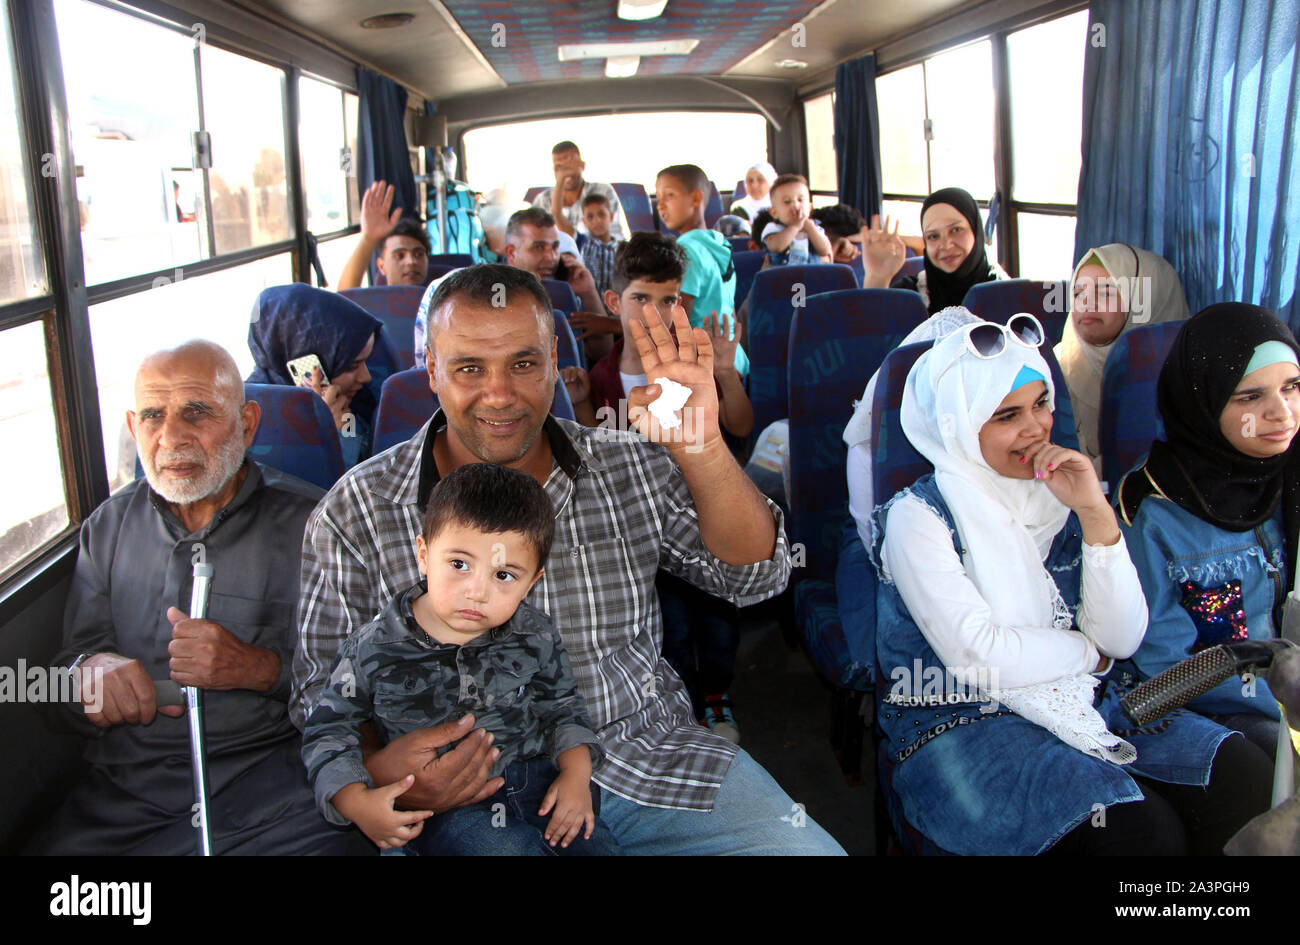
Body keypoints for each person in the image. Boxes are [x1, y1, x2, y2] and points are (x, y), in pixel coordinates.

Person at [291, 264, 843, 855]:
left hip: (646, 756)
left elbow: (758, 575)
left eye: (523, 364)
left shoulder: (629, 466)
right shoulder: (358, 509)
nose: (499, 394)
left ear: (556, 359)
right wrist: (383, 766)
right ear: (430, 369)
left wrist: (703, 448)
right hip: (470, 794)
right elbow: (320, 692)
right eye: (469, 368)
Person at [871, 316, 1271, 855]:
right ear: (957, 424)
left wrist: (1093, 513)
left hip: (1087, 695)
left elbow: (1123, 641)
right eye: (1007, 415)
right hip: (961, 715)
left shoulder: (1058, 494)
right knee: (1140, 836)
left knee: (1244, 778)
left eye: (1041, 404)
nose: (1036, 429)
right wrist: (1090, 654)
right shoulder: (918, 517)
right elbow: (980, 656)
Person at [31, 341, 369, 855]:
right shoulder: (108, 529)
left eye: (196, 412)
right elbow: (57, 682)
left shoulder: (316, 524)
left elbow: (367, 685)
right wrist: (85, 674)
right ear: (132, 427)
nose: (171, 437)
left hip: (277, 793)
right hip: (129, 800)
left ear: (248, 423)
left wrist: (259, 669)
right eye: (152, 416)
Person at [302, 463, 620, 855]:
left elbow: (563, 708)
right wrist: (356, 801)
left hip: (539, 781)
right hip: (446, 807)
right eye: (459, 565)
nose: (477, 592)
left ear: (531, 583)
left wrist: (576, 776)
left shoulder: (535, 634)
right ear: (423, 554)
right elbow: (328, 731)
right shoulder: (372, 648)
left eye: (503, 575)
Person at [1116, 303, 1297, 757]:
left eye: (1292, 387)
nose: (1282, 413)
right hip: (1221, 708)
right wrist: (1288, 704)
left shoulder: (1291, 475)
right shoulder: (1153, 512)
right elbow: (1165, 665)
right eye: (1250, 397)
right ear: (1202, 403)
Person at [1056, 243, 1190, 473]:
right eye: (1078, 293)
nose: (1086, 302)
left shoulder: (1191, 378)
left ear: (1147, 300)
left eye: (1106, 292)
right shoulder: (1053, 368)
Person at [247, 284, 384, 467]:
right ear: (305, 361)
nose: (366, 377)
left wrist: (344, 430)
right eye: (352, 366)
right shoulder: (250, 421)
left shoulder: (353, 405)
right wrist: (327, 435)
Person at [656, 163, 749, 378]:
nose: (660, 205)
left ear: (696, 199)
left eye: (669, 195)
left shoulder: (686, 250)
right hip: (734, 353)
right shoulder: (719, 243)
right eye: (658, 197)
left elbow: (680, 317)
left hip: (707, 356)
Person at [861, 186, 1008, 314]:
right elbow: (870, 339)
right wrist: (877, 278)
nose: (946, 245)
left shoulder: (1005, 292)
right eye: (933, 236)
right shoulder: (911, 294)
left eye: (956, 230)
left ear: (975, 232)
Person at [337, 180, 431, 290]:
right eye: (399, 255)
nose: (411, 262)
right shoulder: (374, 302)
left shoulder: (441, 301)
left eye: (419, 255)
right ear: (382, 266)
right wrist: (368, 239)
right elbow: (345, 296)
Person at [532, 141, 628, 240]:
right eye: (559, 168)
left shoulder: (603, 191)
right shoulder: (543, 199)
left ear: (582, 165)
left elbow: (615, 237)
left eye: (569, 166)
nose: (564, 173)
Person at [761, 173, 832, 267]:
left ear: (810, 208)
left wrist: (811, 228)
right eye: (787, 202)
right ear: (774, 213)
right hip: (782, 278)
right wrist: (795, 227)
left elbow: (825, 250)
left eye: (800, 200)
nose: (795, 205)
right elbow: (776, 247)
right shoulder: (773, 228)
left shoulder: (815, 228)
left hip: (811, 276)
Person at [579, 192, 620, 299]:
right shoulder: (583, 244)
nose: (596, 221)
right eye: (590, 217)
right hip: (590, 307)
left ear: (611, 216)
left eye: (601, 214)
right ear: (584, 221)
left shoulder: (622, 249)